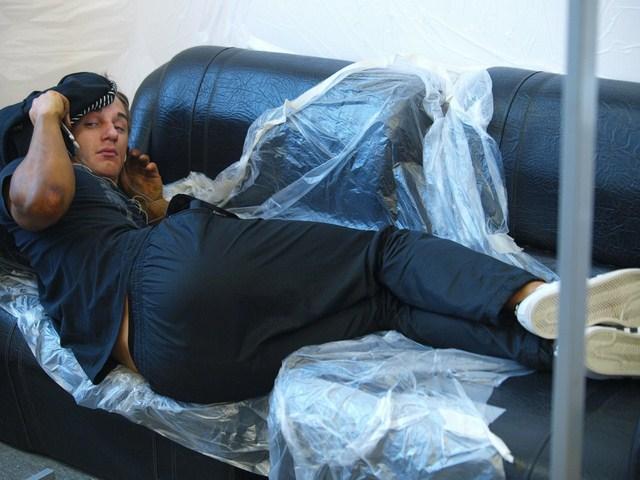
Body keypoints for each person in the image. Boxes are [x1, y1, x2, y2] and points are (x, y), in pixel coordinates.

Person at [0, 74, 638, 404]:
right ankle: (532, 295)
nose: (114, 132)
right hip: (170, 286)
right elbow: (44, 200)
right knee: (385, 253)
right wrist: (44, 113)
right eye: (94, 123)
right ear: (61, 133)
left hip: (174, 366)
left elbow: (126, 275)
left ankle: (558, 349)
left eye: (121, 121)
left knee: (387, 308)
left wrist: (154, 206)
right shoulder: (24, 174)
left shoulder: (100, 203)